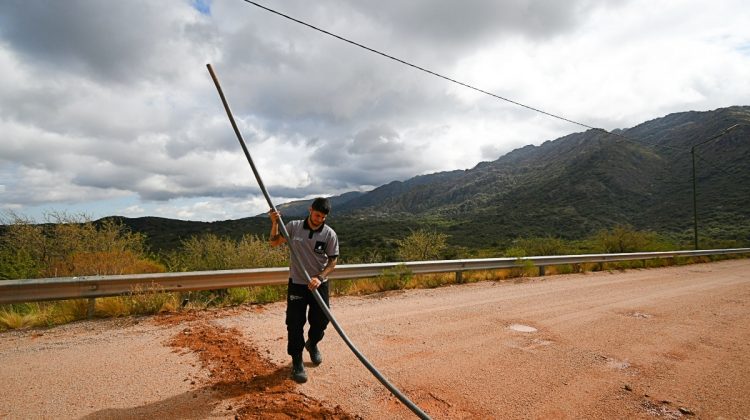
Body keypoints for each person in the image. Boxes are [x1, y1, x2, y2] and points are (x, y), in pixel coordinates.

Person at [269, 197, 339, 383]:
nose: (319, 219)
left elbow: (333, 261)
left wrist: (320, 277)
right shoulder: (294, 226)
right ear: (310, 210)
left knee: (321, 321)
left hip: (318, 284)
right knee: (294, 323)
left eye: (323, 217)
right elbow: (274, 242)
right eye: (317, 215)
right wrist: (275, 222)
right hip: (298, 284)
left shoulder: (329, 234)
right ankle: (297, 361)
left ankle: (313, 343)